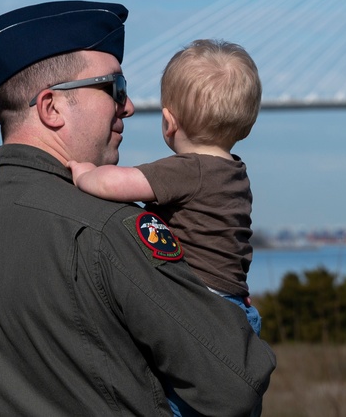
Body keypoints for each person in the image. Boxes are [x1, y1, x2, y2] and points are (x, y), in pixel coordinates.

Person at [0, 1, 275, 416]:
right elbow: (234, 385)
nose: (127, 106)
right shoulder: (107, 228)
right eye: (115, 89)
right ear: (51, 107)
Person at [68, 39, 262, 417]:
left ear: (169, 122)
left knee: (179, 403)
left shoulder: (187, 170)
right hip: (236, 309)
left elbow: (115, 184)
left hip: (200, 309)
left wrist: (83, 172)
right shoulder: (235, 172)